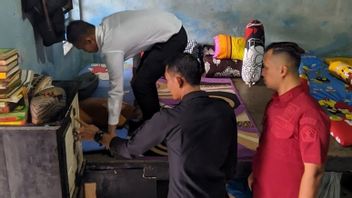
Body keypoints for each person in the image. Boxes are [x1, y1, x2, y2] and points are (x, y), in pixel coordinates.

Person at [77, 53, 237, 198]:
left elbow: (129, 149)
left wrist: (98, 135)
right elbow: (230, 169)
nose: (167, 86)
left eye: (167, 80)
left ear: (179, 80)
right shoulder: (225, 110)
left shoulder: (169, 118)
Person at [67, 9, 188, 135]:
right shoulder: (107, 23)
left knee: (142, 84)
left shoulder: (111, 48)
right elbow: (140, 42)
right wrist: (136, 72)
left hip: (173, 37)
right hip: (168, 25)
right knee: (138, 82)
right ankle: (147, 116)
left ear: (89, 40)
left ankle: (155, 128)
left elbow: (116, 90)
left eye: (82, 48)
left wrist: (111, 132)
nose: (84, 51)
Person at [248, 42, 330, 198]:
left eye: (266, 67)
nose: (263, 73)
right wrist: (256, 172)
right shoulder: (274, 103)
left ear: (282, 70)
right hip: (262, 190)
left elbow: (314, 173)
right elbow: (269, 147)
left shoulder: (310, 114)